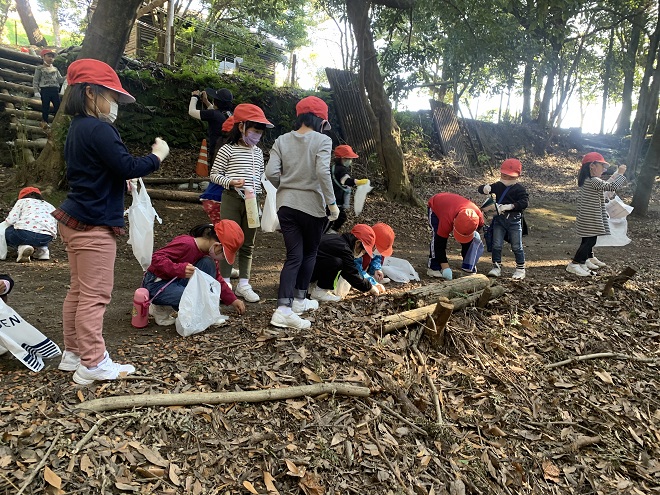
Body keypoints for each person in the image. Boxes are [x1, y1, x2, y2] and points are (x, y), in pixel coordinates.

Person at [53, 58, 170, 385]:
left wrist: (119, 182)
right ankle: (93, 362)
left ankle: (73, 353)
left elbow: (97, 170)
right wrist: (157, 156)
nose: (114, 104)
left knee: (78, 291)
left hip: (74, 218)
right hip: (93, 225)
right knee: (95, 296)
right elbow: (126, 164)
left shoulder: (77, 128)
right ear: (91, 92)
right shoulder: (100, 128)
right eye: (111, 96)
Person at [265, 95, 339, 329]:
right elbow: (323, 172)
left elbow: (270, 173)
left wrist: (286, 188)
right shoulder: (322, 140)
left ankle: (295, 303)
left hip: (286, 205)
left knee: (294, 255)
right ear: (320, 120)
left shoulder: (281, 140)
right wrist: (332, 203)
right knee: (309, 254)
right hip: (312, 206)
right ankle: (288, 307)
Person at [210, 104, 273, 303]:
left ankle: (244, 284)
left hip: (252, 201)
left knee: (248, 243)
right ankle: (226, 282)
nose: (257, 136)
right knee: (228, 240)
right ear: (241, 127)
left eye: (260, 133)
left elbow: (259, 177)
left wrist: (260, 203)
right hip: (231, 198)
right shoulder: (227, 150)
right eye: (254, 131)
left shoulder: (258, 153)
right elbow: (214, 175)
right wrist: (230, 182)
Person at [142, 222, 246, 325]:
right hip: (156, 284)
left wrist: (233, 300)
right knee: (191, 297)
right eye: (224, 254)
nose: (223, 258)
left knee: (208, 263)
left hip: (176, 280)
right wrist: (178, 269)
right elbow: (156, 258)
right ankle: (160, 307)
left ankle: (200, 308)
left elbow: (216, 278)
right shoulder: (186, 244)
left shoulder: (208, 254)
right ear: (218, 246)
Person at [566, 152, 627, 276]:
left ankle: (582, 262)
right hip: (590, 217)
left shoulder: (589, 180)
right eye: (602, 166)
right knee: (589, 242)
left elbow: (606, 185)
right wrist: (620, 174)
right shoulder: (593, 180)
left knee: (588, 241)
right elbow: (612, 186)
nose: (604, 170)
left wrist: (615, 174)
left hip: (588, 216)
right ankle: (574, 264)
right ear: (592, 166)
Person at [478, 158, 529, 280]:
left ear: (517, 176)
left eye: (510, 177)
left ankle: (520, 268)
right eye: (504, 175)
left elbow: (524, 202)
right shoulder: (499, 185)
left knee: (517, 245)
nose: (506, 179)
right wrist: (485, 188)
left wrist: (510, 206)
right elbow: (482, 189)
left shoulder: (519, 189)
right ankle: (496, 266)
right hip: (499, 220)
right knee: (496, 244)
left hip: (514, 220)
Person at [310, 224, 381, 301]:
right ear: (357, 243)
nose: (363, 254)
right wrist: (370, 287)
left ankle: (313, 288)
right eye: (364, 251)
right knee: (336, 263)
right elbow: (351, 274)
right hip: (305, 271)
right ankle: (319, 292)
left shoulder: (337, 239)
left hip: (303, 268)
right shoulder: (344, 249)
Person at [427, 193, 484, 280]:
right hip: (436, 205)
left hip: (453, 206)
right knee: (436, 236)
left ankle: (468, 265)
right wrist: (445, 267)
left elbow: (472, 240)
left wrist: (470, 258)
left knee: (473, 240)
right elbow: (439, 243)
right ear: (453, 222)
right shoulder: (446, 219)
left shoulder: (478, 217)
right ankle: (433, 267)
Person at [4, 187, 57, 262]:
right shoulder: (50, 206)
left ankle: (23, 247)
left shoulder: (22, 201)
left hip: (24, 234)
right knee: (41, 230)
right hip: (46, 237)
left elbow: (10, 220)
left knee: (7, 231)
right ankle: (43, 251)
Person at [327, 145, 369, 233]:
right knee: (339, 217)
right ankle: (329, 232)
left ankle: (327, 232)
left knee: (331, 217)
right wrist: (357, 182)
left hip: (330, 197)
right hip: (336, 199)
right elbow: (345, 181)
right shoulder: (341, 170)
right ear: (341, 159)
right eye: (347, 159)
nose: (349, 161)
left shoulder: (333, 167)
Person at [32, 48, 64, 129]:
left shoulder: (55, 69)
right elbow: (36, 80)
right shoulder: (39, 68)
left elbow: (60, 80)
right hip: (45, 90)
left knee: (58, 106)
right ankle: (44, 122)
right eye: (49, 56)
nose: (50, 58)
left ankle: (57, 123)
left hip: (55, 90)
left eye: (52, 57)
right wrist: (36, 90)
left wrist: (67, 76)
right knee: (45, 107)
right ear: (43, 57)